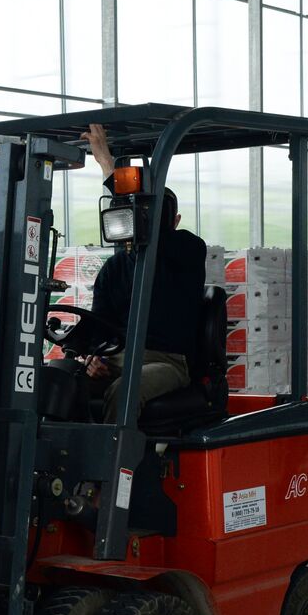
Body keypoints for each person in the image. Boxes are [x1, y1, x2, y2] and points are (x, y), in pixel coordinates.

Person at [75, 123, 208, 422]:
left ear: (174, 221)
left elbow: (156, 235)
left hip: (167, 362)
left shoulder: (187, 251)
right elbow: (101, 328)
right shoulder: (113, 269)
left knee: (124, 391)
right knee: (58, 381)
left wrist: (108, 166)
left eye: (143, 213)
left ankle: (113, 468)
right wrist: (93, 357)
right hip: (119, 357)